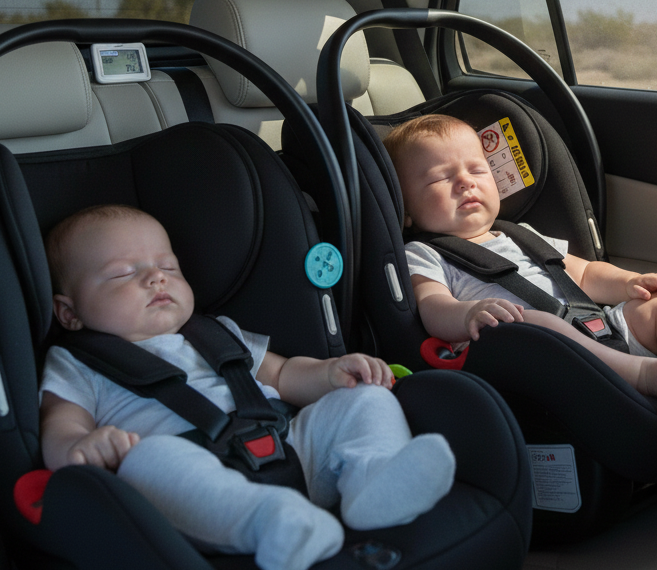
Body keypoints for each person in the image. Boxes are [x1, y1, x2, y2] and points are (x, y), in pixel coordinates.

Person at [40, 204, 456, 570]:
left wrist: (330, 374)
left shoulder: (218, 334)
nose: (156, 279)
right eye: (123, 274)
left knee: (365, 398)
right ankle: (272, 522)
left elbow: (284, 375)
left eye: (168, 267)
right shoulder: (76, 362)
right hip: (196, 490)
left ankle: (373, 478)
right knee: (147, 460)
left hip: (290, 448)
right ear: (69, 312)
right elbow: (60, 424)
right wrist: (81, 446)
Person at [382, 115, 657, 401]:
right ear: (407, 210)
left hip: (598, 328)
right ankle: (641, 374)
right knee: (532, 322)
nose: (465, 182)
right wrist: (468, 315)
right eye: (440, 178)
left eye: (476, 169)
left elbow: (586, 273)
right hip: (527, 357)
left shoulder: (522, 235)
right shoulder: (423, 253)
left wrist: (629, 283)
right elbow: (433, 306)